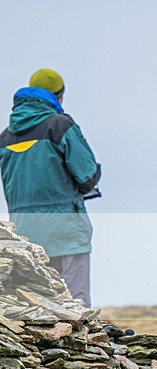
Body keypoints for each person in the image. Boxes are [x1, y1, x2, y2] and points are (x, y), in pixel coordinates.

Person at [0, 68, 100, 306]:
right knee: (75, 305)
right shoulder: (60, 125)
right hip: (65, 230)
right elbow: (88, 176)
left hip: (24, 234)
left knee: (37, 305)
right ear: (59, 96)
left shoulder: (5, 137)